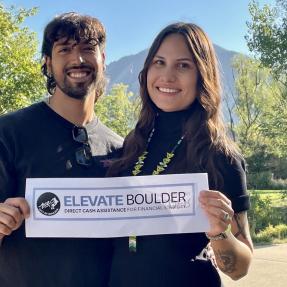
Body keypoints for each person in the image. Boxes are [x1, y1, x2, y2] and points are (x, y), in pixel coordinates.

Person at [108, 22, 253, 286]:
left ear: (202, 75)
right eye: (159, 62)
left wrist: (220, 233)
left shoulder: (220, 155)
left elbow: (240, 268)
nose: (167, 76)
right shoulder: (133, 144)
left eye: (183, 65)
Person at [0, 12, 122, 287]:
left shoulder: (122, 148)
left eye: (88, 48)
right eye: (64, 49)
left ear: (103, 59)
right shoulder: (8, 134)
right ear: (47, 62)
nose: (77, 59)